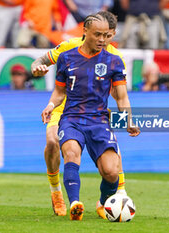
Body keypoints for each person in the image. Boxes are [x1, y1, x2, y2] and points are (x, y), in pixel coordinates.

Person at [41, 13, 140, 221]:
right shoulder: (67, 57)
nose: (102, 40)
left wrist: (128, 120)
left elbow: (121, 97)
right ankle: (74, 203)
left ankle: (104, 202)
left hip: (99, 120)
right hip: (72, 118)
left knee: (111, 172)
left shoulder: (114, 61)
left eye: (106, 35)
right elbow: (59, 93)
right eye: (98, 35)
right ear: (85, 31)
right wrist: (50, 105)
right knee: (71, 153)